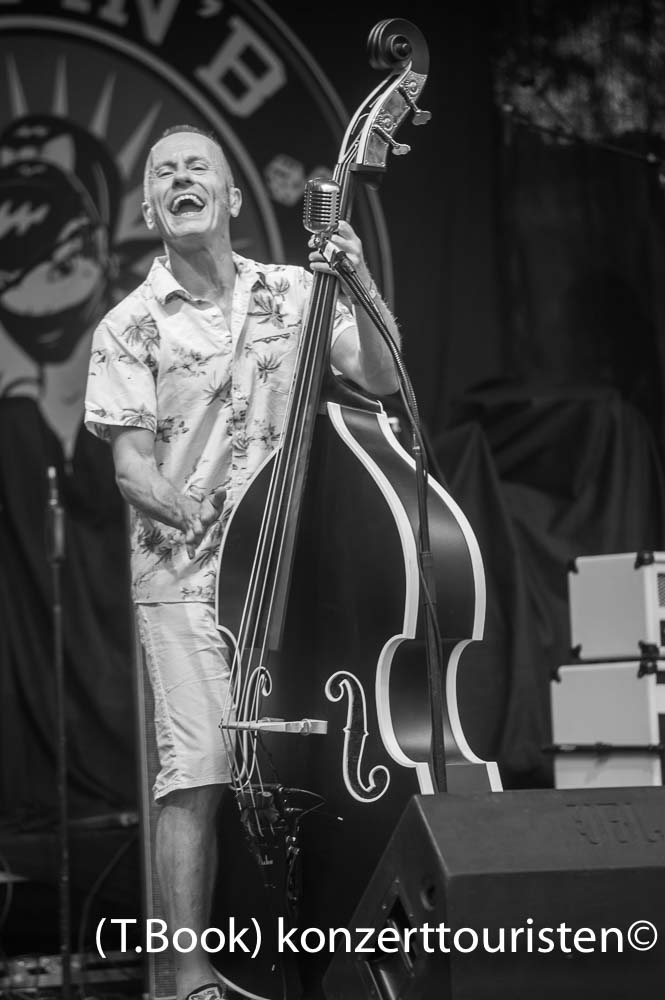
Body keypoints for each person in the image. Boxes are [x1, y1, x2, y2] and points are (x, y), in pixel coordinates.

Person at [84, 124, 401, 1000]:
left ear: (229, 197)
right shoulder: (127, 325)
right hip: (185, 576)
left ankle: (317, 951)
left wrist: (359, 278)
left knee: (300, 767)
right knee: (196, 773)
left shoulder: (295, 292)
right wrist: (183, 506)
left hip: (288, 571)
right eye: (163, 173)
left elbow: (378, 377)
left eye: (198, 167)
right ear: (150, 209)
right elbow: (130, 468)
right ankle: (187, 978)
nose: (180, 178)